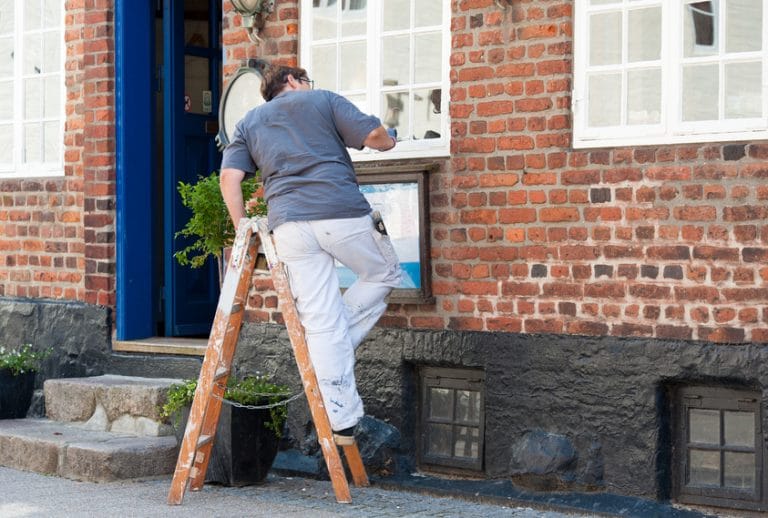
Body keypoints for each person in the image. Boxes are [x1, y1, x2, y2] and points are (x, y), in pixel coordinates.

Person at [219, 65, 402, 445]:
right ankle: (333, 348)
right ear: (292, 81)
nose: (308, 87)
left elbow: (229, 178)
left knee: (321, 321)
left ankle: (342, 419)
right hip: (340, 212)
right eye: (305, 81)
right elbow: (373, 136)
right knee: (383, 274)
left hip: (288, 227)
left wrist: (242, 227)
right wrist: (390, 139)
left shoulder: (249, 122)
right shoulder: (321, 100)